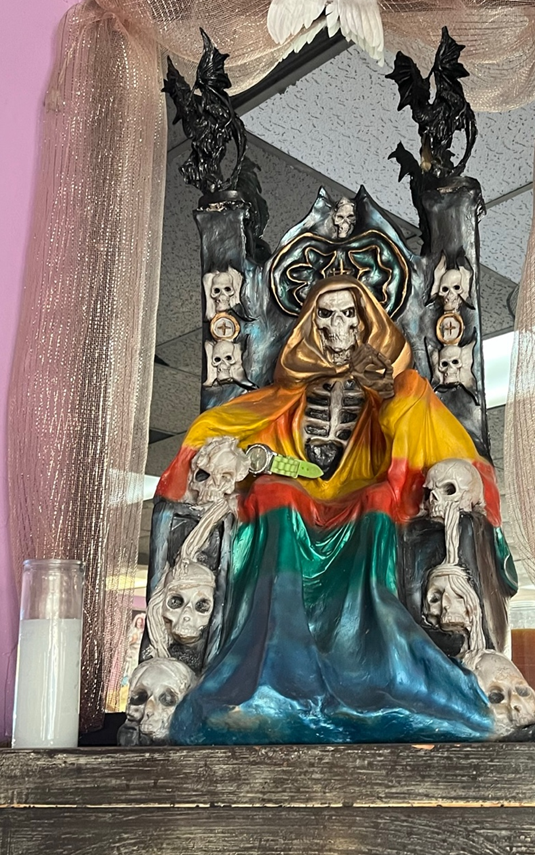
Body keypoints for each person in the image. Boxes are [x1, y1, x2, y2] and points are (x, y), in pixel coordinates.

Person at [155, 275, 509, 744]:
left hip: (364, 487)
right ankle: (270, 667)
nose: (337, 326)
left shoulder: (393, 385)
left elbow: (417, 429)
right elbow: (245, 424)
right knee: (273, 494)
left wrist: (388, 389)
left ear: (365, 322)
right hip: (298, 485)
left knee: (379, 498)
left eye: (348, 315)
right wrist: (232, 456)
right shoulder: (290, 388)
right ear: (311, 322)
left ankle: (378, 664)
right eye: (326, 314)